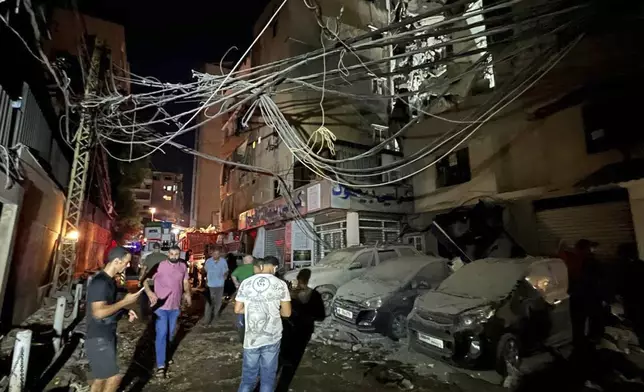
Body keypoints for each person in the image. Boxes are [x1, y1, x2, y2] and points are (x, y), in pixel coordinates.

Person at [86, 247, 141, 392]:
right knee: (113, 377)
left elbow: (109, 305)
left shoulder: (109, 281)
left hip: (105, 335)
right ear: (117, 261)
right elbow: (98, 313)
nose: (128, 265)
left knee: (100, 378)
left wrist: (125, 311)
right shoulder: (100, 282)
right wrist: (125, 302)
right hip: (99, 338)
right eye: (126, 262)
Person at [235, 257, 291, 392]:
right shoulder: (280, 284)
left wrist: (253, 308)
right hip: (272, 336)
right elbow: (287, 313)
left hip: (252, 338)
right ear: (275, 267)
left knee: (248, 379)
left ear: (261, 266)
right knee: (268, 378)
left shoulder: (246, 283)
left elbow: (237, 309)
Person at [143, 245, 192, 377]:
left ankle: (165, 355)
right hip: (161, 306)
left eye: (176, 254)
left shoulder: (183, 266)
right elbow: (144, 281)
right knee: (162, 334)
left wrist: (187, 293)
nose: (174, 257)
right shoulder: (159, 266)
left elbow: (185, 281)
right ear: (168, 254)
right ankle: (160, 365)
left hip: (175, 307)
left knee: (170, 335)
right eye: (171, 254)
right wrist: (150, 294)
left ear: (179, 255)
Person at [275, 268, 325, 392]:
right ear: (309, 279)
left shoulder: (289, 293)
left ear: (297, 278)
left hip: (287, 331)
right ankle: (281, 388)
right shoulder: (314, 295)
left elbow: (280, 310)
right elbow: (321, 316)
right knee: (292, 364)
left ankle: (263, 386)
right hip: (303, 333)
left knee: (278, 361)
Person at [570, 239, 604, 349]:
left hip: (578, 296)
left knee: (579, 322)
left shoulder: (574, 261)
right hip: (588, 296)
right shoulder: (589, 262)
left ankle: (581, 342)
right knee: (591, 319)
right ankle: (590, 341)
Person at [202, 247, 229, 326]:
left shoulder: (223, 261)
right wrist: (207, 279)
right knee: (209, 302)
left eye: (217, 254)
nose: (216, 255)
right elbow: (206, 270)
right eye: (214, 254)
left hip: (220, 284)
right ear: (212, 254)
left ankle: (216, 317)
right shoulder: (208, 261)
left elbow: (226, 270)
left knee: (218, 302)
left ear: (219, 254)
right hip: (210, 284)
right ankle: (207, 320)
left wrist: (225, 275)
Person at [232, 255, 255, 342]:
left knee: (240, 308)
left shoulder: (240, 268)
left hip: (242, 290)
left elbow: (233, 275)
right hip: (253, 291)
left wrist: (236, 283)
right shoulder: (255, 267)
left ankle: (240, 324)